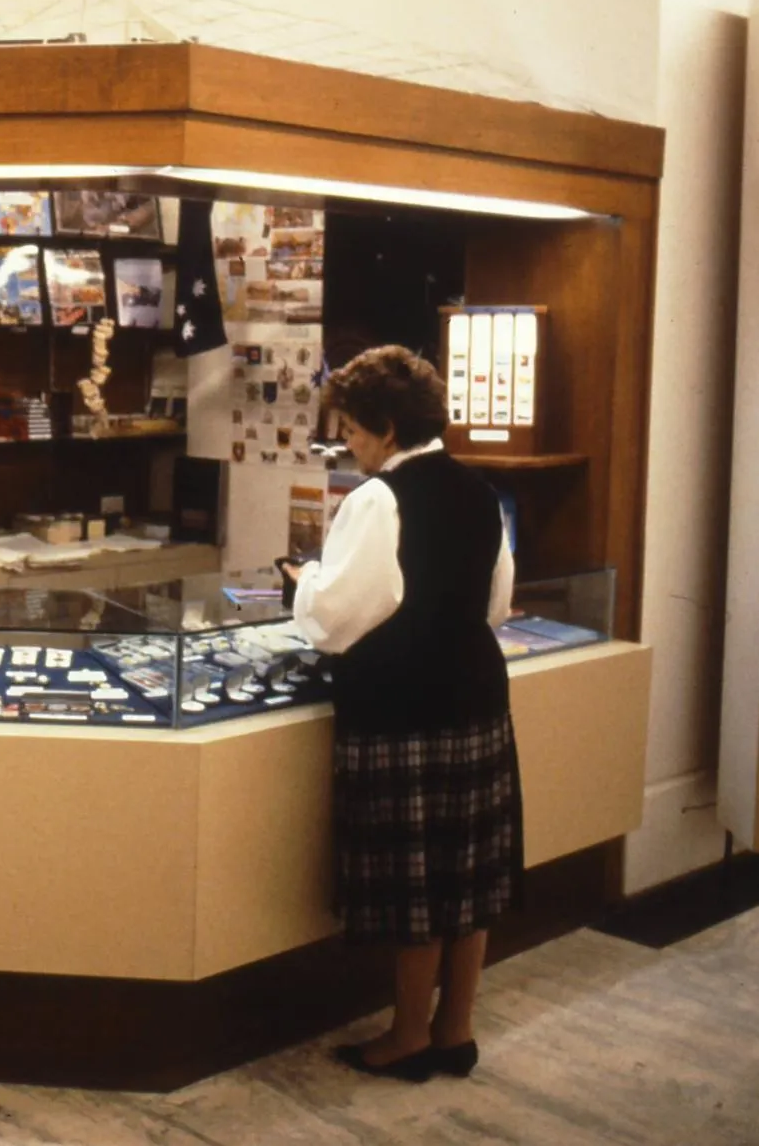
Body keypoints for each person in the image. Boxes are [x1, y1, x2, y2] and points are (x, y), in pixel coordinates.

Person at [282, 345, 518, 1083]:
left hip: (403, 709)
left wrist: (305, 578)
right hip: (477, 699)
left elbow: (339, 616)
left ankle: (408, 1036)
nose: (346, 447)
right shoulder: (479, 491)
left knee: (418, 883)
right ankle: (456, 1028)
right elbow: (497, 602)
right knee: (467, 877)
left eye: (350, 430)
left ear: (385, 428)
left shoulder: (377, 499)